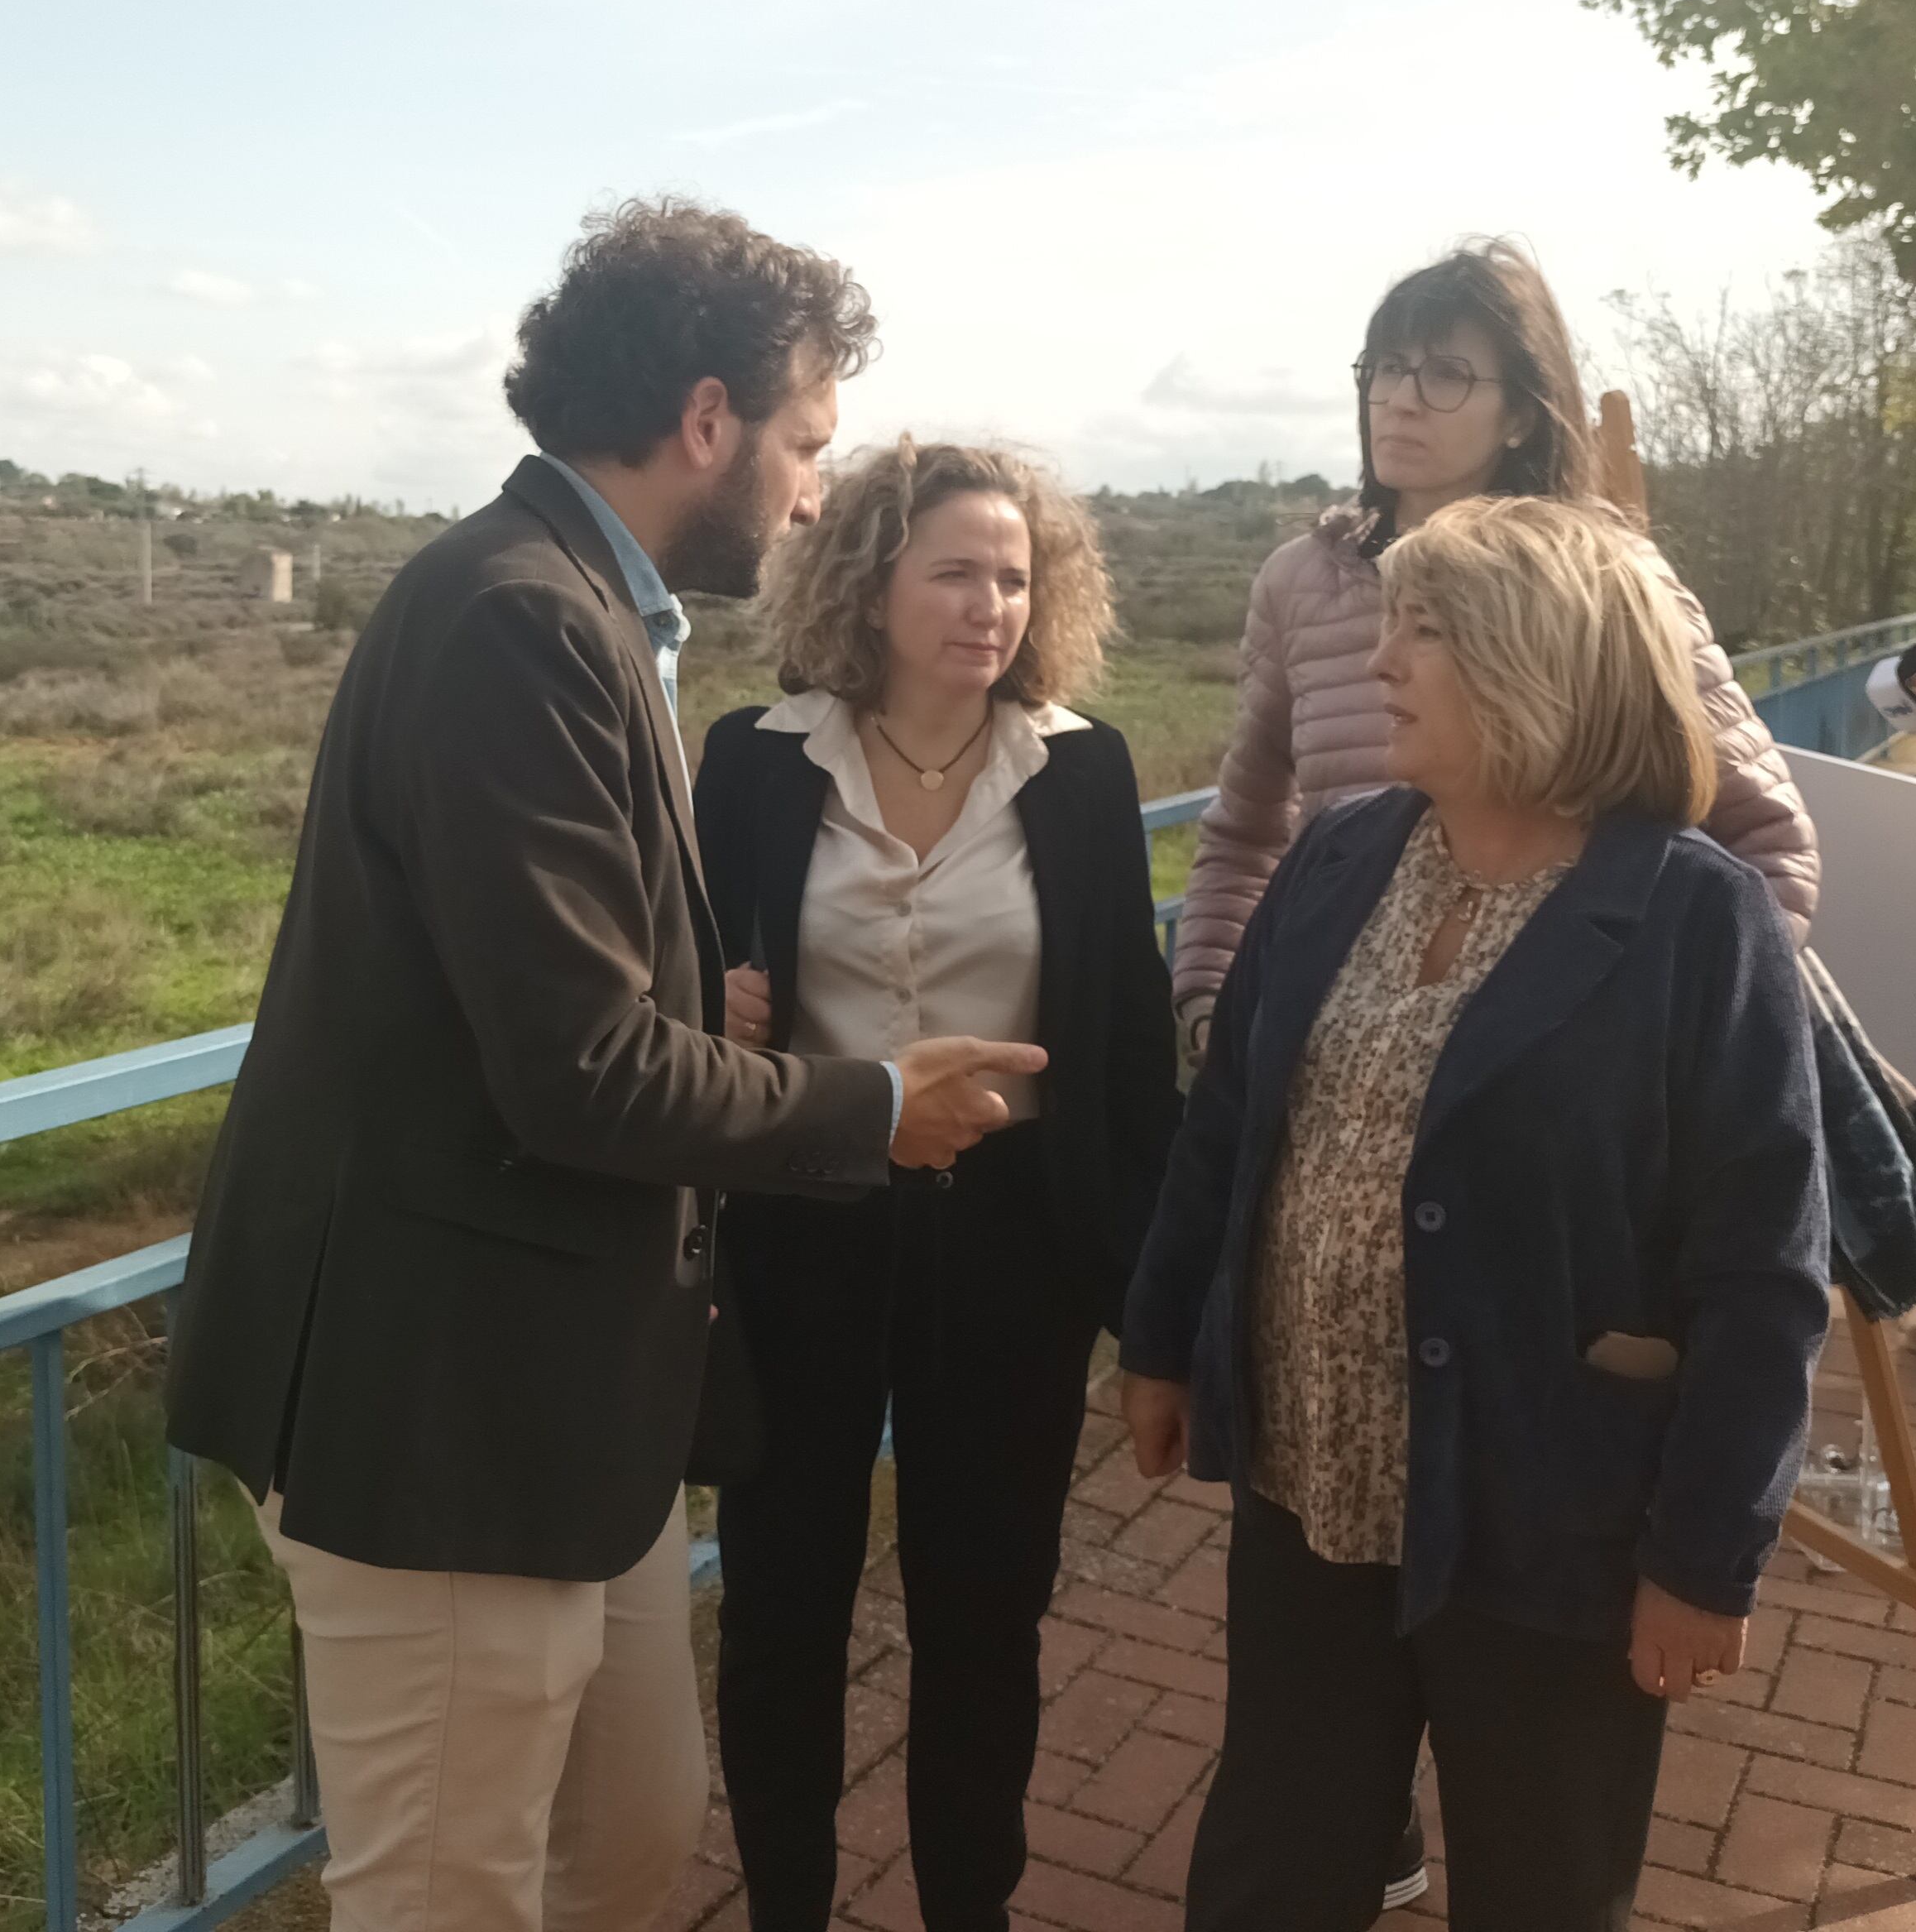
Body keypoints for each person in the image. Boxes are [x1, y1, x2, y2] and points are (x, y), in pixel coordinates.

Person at [165, 199, 1046, 1932]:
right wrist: (875, 1105)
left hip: (565, 1395)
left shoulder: (581, 606)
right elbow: (568, 1074)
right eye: (802, 441)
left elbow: (534, 994)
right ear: (703, 419)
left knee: (632, 1837)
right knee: (444, 1892)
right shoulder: (517, 615)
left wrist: (674, 1022)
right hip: (439, 1408)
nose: (808, 492)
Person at [1166, 238, 1819, 1922]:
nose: (1377, 665)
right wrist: (1168, 1341)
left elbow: (1759, 1272)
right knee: (1266, 1874)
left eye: (1423, 637)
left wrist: (1699, 1555)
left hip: (1545, 1524)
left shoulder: (1686, 922)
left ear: (1535, 661)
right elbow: (1237, 1119)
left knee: (1536, 1886)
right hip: (1308, 1488)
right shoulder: (1345, 854)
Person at [693, 441, 1181, 1932]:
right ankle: (787, 1907)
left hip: (1011, 1243)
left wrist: (1150, 1309)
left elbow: (1123, 1047)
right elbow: (690, 973)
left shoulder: (1080, 769)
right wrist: (713, 1004)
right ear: (870, 582)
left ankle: (968, 1904)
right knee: (782, 1610)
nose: (990, 606)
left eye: (1015, 578)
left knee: (984, 1619)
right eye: (955, 572)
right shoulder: (756, 760)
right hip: (806, 1226)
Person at [1173, 237, 1818, 1059]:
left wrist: (1638, 1041)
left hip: (1554, 1094)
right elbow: (1243, 834)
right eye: (1383, 368)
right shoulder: (1302, 584)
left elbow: (1766, 843)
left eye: (1444, 375)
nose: (1399, 400)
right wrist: (1210, 1003)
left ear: (1518, 414)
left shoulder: (1606, 578)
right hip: (1334, 1064)